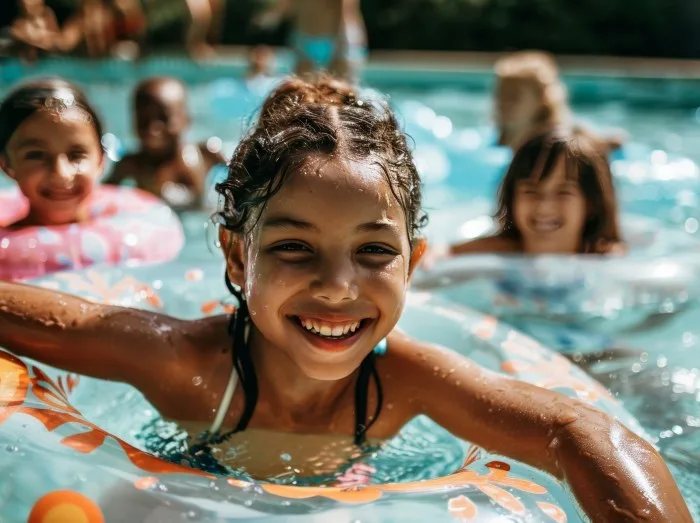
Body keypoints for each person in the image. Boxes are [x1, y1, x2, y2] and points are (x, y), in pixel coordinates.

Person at [0, 77, 691, 522]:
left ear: (414, 263)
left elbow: (579, 432)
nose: (338, 287)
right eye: (295, 248)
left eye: (374, 251)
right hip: (177, 490)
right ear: (238, 254)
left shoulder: (405, 382)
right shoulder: (189, 363)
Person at [432, 130, 625, 260]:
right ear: (512, 198)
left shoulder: (604, 257)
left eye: (563, 192)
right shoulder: (503, 250)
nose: (544, 206)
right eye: (531, 191)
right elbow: (442, 253)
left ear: (591, 203)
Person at [104, 76, 225, 210]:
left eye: (164, 119)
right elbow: (103, 195)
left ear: (186, 120)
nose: (153, 130)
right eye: (144, 120)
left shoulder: (200, 156)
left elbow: (200, 203)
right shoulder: (131, 164)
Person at [0, 78, 105, 226]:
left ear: (101, 159)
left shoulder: (133, 234)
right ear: (5, 165)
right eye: (36, 155)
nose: (61, 174)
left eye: (76, 155)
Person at [494, 50, 624, 154]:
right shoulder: (501, 138)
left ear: (542, 100)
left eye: (514, 97)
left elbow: (613, 142)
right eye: (500, 94)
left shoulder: (565, 139)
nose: (503, 102)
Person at [253, 0, 367, 81]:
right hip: (304, 40)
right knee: (301, 94)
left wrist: (343, 43)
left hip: (338, 40)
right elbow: (286, 5)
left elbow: (347, 11)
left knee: (340, 93)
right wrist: (270, 17)